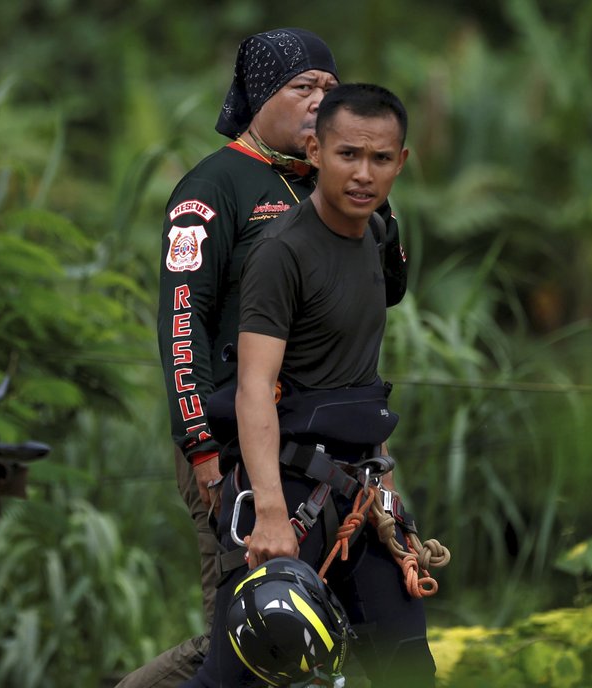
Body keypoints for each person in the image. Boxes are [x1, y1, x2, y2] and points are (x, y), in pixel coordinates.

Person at [119, 29, 408, 687]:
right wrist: (203, 453)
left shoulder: (331, 188)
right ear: (257, 96)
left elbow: (387, 288)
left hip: (332, 448)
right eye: (300, 87)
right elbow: (182, 326)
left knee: (328, 625)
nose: (318, 101)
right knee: (258, 628)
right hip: (237, 442)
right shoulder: (213, 188)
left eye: (328, 88)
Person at [181, 83, 435, 687]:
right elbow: (253, 388)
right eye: (348, 154)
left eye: (379, 159)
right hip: (290, 491)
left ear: (401, 162)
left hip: (362, 493)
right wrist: (268, 512)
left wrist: (388, 495)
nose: (363, 174)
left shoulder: (375, 237)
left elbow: (361, 378)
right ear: (315, 152)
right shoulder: (281, 252)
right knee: (241, 673)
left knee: (406, 665)